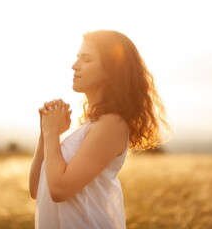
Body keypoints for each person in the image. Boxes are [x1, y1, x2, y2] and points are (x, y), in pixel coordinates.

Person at [29, 30, 170, 229]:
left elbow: (59, 190)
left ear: (110, 70)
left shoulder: (112, 125)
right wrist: (46, 133)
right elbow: (36, 189)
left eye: (86, 59)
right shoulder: (88, 124)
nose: (74, 66)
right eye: (78, 57)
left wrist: (52, 133)